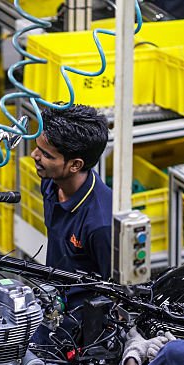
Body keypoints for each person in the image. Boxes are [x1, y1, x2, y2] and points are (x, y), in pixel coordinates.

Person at [32, 104, 112, 279]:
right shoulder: (50, 182)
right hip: (55, 294)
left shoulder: (101, 224)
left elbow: (116, 290)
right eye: (37, 147)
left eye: (46, 155)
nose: (34, 155)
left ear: (76, 165)